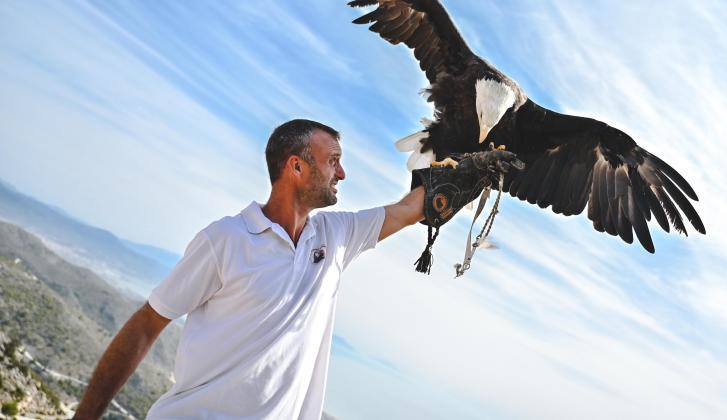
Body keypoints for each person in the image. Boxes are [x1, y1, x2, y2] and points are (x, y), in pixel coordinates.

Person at [73, 119, 519, 419]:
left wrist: (469, 168)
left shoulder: (337, 236)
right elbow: (147, 324)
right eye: (333, 161)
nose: (342, 173)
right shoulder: (225, 240)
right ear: (296, 166)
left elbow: (407, 210)